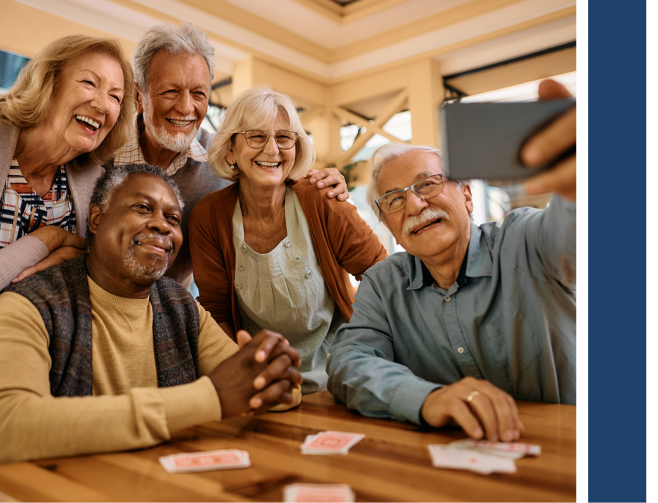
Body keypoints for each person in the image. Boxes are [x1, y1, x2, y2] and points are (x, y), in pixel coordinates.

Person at [326, 79, 578, 443]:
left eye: (427, 184)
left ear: (468, 196)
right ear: (393, 232)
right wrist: (427, 398)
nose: (414, 205)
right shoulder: (383, 284)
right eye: (394, 201)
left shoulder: (526, 239)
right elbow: (349, 362)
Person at [0, 164, 303, 464]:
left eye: (173, 218)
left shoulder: (182, 308)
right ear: (96, 218)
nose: (163, 226)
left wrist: (276, 373)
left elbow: (263, 390)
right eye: (143, 208)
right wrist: (211, 399)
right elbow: (11, 427)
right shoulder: (30, 305)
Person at [107, 21, 349, 288]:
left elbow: (276, 178)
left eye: (198, 93)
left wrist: (325, 183)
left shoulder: (226, 157)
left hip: (171, 311)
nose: (187, 107)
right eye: (171, 91)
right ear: (138, 96)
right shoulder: (98, 152)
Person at [189, 86, 388, 397]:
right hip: (263, 383)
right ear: (230, 149)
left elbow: (382, 275)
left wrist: (360, 346)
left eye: (284, 137)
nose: (273, 150)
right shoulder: (208, 217)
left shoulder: (321, 197)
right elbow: (217, 313)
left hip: (340, 378)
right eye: (256, 137)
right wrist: (245, 375)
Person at [0, 35, 136, 289]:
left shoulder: (96, 185)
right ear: (49, 82)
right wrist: (49, 239)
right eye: (89, 82)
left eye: (116, 97)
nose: (103, 105)